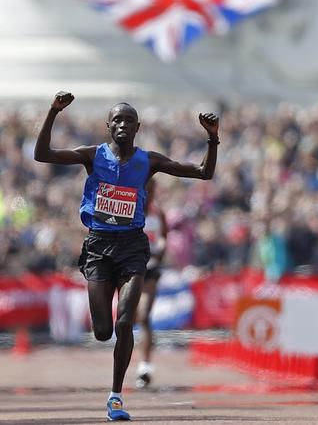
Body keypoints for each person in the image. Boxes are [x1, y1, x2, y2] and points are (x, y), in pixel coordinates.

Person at [34, 91, 219, 421]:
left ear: (137, 127)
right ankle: (113, 367)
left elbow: (203, 173)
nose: (122, 124)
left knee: (125, 322)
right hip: (98, 248)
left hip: (133, 247)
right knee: (103, 330)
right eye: (116, 120)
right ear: (108, 126)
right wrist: (53, 111)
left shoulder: (150, 161)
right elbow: (42, 154)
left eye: (128, 120)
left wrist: (212, 138)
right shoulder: (92, 155)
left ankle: (116, 397)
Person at [134, 178, 168, 389]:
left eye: (152, 190)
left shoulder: (158, 214)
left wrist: (161, 248)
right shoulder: (129, 212)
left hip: (150, 270)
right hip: (130, 269)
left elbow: (164, 238)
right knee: (128, 317)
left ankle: (145, 366)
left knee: (145, 316)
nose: (149, 193)